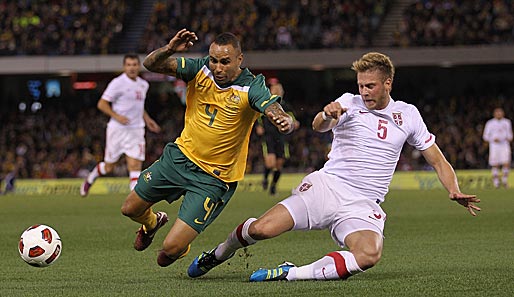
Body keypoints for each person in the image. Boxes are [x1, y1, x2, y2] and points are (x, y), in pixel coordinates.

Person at [187, 52, 481, 282]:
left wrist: (453, 189)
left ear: (387, 83)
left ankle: (290, 273)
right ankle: (219, 253)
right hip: (327, 188)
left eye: (370, 86)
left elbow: (437, 158)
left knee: (368, 255)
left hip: (363, 203)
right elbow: (319, 125)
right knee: (263, 230)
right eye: (360, 85)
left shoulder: (408, 115)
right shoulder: (348, 103)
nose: (364, 91)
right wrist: (327, 115)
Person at [119, 29, 294, 267]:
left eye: (225, 62)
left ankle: (180, 245)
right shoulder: (199, 69)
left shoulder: (252, 86)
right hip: (179, 158)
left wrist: (281, 118)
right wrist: (170, 49)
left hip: (213, 179)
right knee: (129, 208)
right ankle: (151, 224)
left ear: (239, 60)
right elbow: (151, 64)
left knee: (167, 253)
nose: (218, 68)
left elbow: (270, 107)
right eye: (214, 61)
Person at [80, 54, 161, 197]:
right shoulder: (117, 83)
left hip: (136, 130)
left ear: (138, 66)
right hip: (117, 130)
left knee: (135, 166)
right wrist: (117, 116)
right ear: (124, 67)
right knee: (109, 167)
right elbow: (102, 104)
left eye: (135, 65)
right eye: (129, 65)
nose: (132, 68)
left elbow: (138, 106)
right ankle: (90, 178)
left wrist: (147, 119)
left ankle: (134, 203)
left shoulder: (143, 84)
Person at [255, 78, 299, 195]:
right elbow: (256, 118)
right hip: (268, 137)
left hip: (282, 138)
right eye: (275, 89)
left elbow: (292, 119)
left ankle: (273, 186)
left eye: (279, 89)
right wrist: (258, 127)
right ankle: (265, 178)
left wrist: (294, 124)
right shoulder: (265, 104)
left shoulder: (285, 106)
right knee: (270, 163)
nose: (277, 91)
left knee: (278, 165)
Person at [482, 107, 512, 188]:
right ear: (494, 114)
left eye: (500, 112)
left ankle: (505, 181)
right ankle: (496, 183)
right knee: (495, 164)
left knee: (506, 163)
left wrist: (508, 138)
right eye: (497, 112)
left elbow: (510, 135)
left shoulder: (507, 122)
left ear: (503, 113)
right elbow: (485, 136)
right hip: (494, 146)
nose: (499, 114)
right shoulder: (490, 123)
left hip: (504, 145)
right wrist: (492, 139)